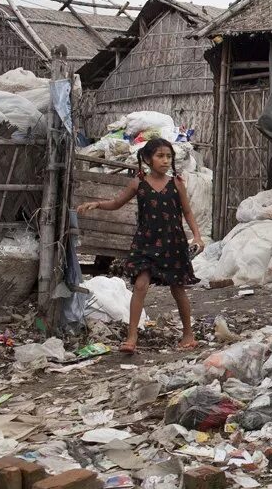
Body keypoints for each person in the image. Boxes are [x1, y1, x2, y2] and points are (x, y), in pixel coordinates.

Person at [78, 138, 204, 353]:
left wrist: (197, 236)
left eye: (168, 157)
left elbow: (187, 212)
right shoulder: (139, 183)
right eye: (160, 156)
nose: (165, 161)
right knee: (140, 285)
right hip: (146, 242)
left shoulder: (177, 183)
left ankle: (188, 334)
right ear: (147, 159)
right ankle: (132, 337)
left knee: (178, 289)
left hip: (172, 243)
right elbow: (117, 203)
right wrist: (97, 204)